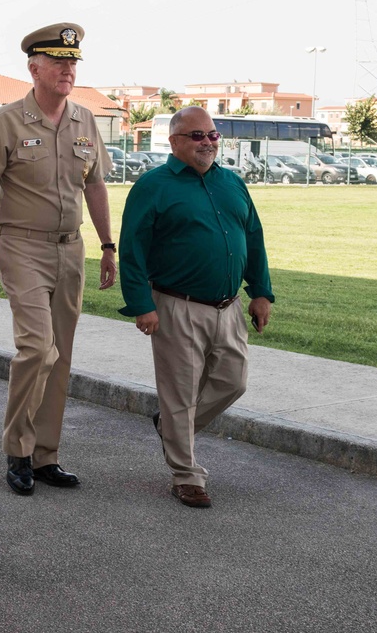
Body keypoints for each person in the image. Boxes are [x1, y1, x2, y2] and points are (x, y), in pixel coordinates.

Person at [0, 23, 116, 496]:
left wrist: (109, 246)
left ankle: (46, 455)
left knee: (62, 354)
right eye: (58, 62)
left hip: (71, 248)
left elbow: (95, 185)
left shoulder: (85, 120)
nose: (68, 69)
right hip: (21, 246)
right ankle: (18, 450)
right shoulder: (7, 120)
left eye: (73, 63)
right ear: (34, 68)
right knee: (37, 349)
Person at [118, 106, 274, 509]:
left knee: (232, 381)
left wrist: (261, 292)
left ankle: (171, 427)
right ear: (174, 142)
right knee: (180, 393)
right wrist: (141, 304)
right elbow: (133, 250)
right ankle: (186, 476)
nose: (208, 143)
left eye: (213, 135)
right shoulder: (153, 186)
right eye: (198, 136)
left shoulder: (233, 184)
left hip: (230, 306)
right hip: (175, 306)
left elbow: (253, 238)